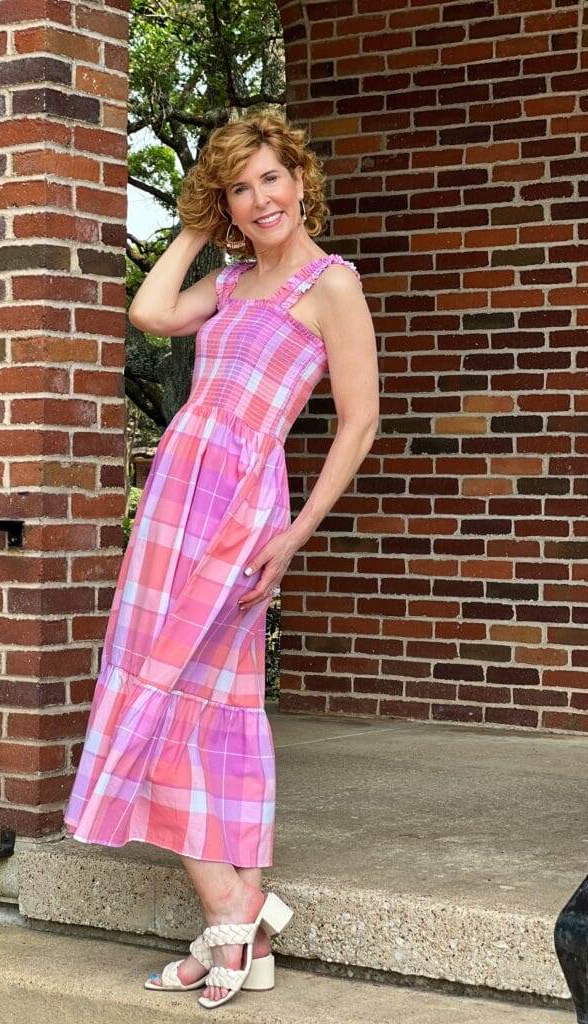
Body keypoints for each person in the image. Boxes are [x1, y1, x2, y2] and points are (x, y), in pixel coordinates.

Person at [62, 109, 379, 1009]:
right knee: (167, 689)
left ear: (300, 180)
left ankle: (235, 910)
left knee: (179, 693)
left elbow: (359, 419)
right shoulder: (232, 282)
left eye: (270, 178)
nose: (260, 198)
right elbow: (150, 310)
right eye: (240, 187)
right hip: (174, 502)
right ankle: (235, 921)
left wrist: (296, 533)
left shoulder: (331, 284)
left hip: (242, 508)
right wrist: (199, 226)